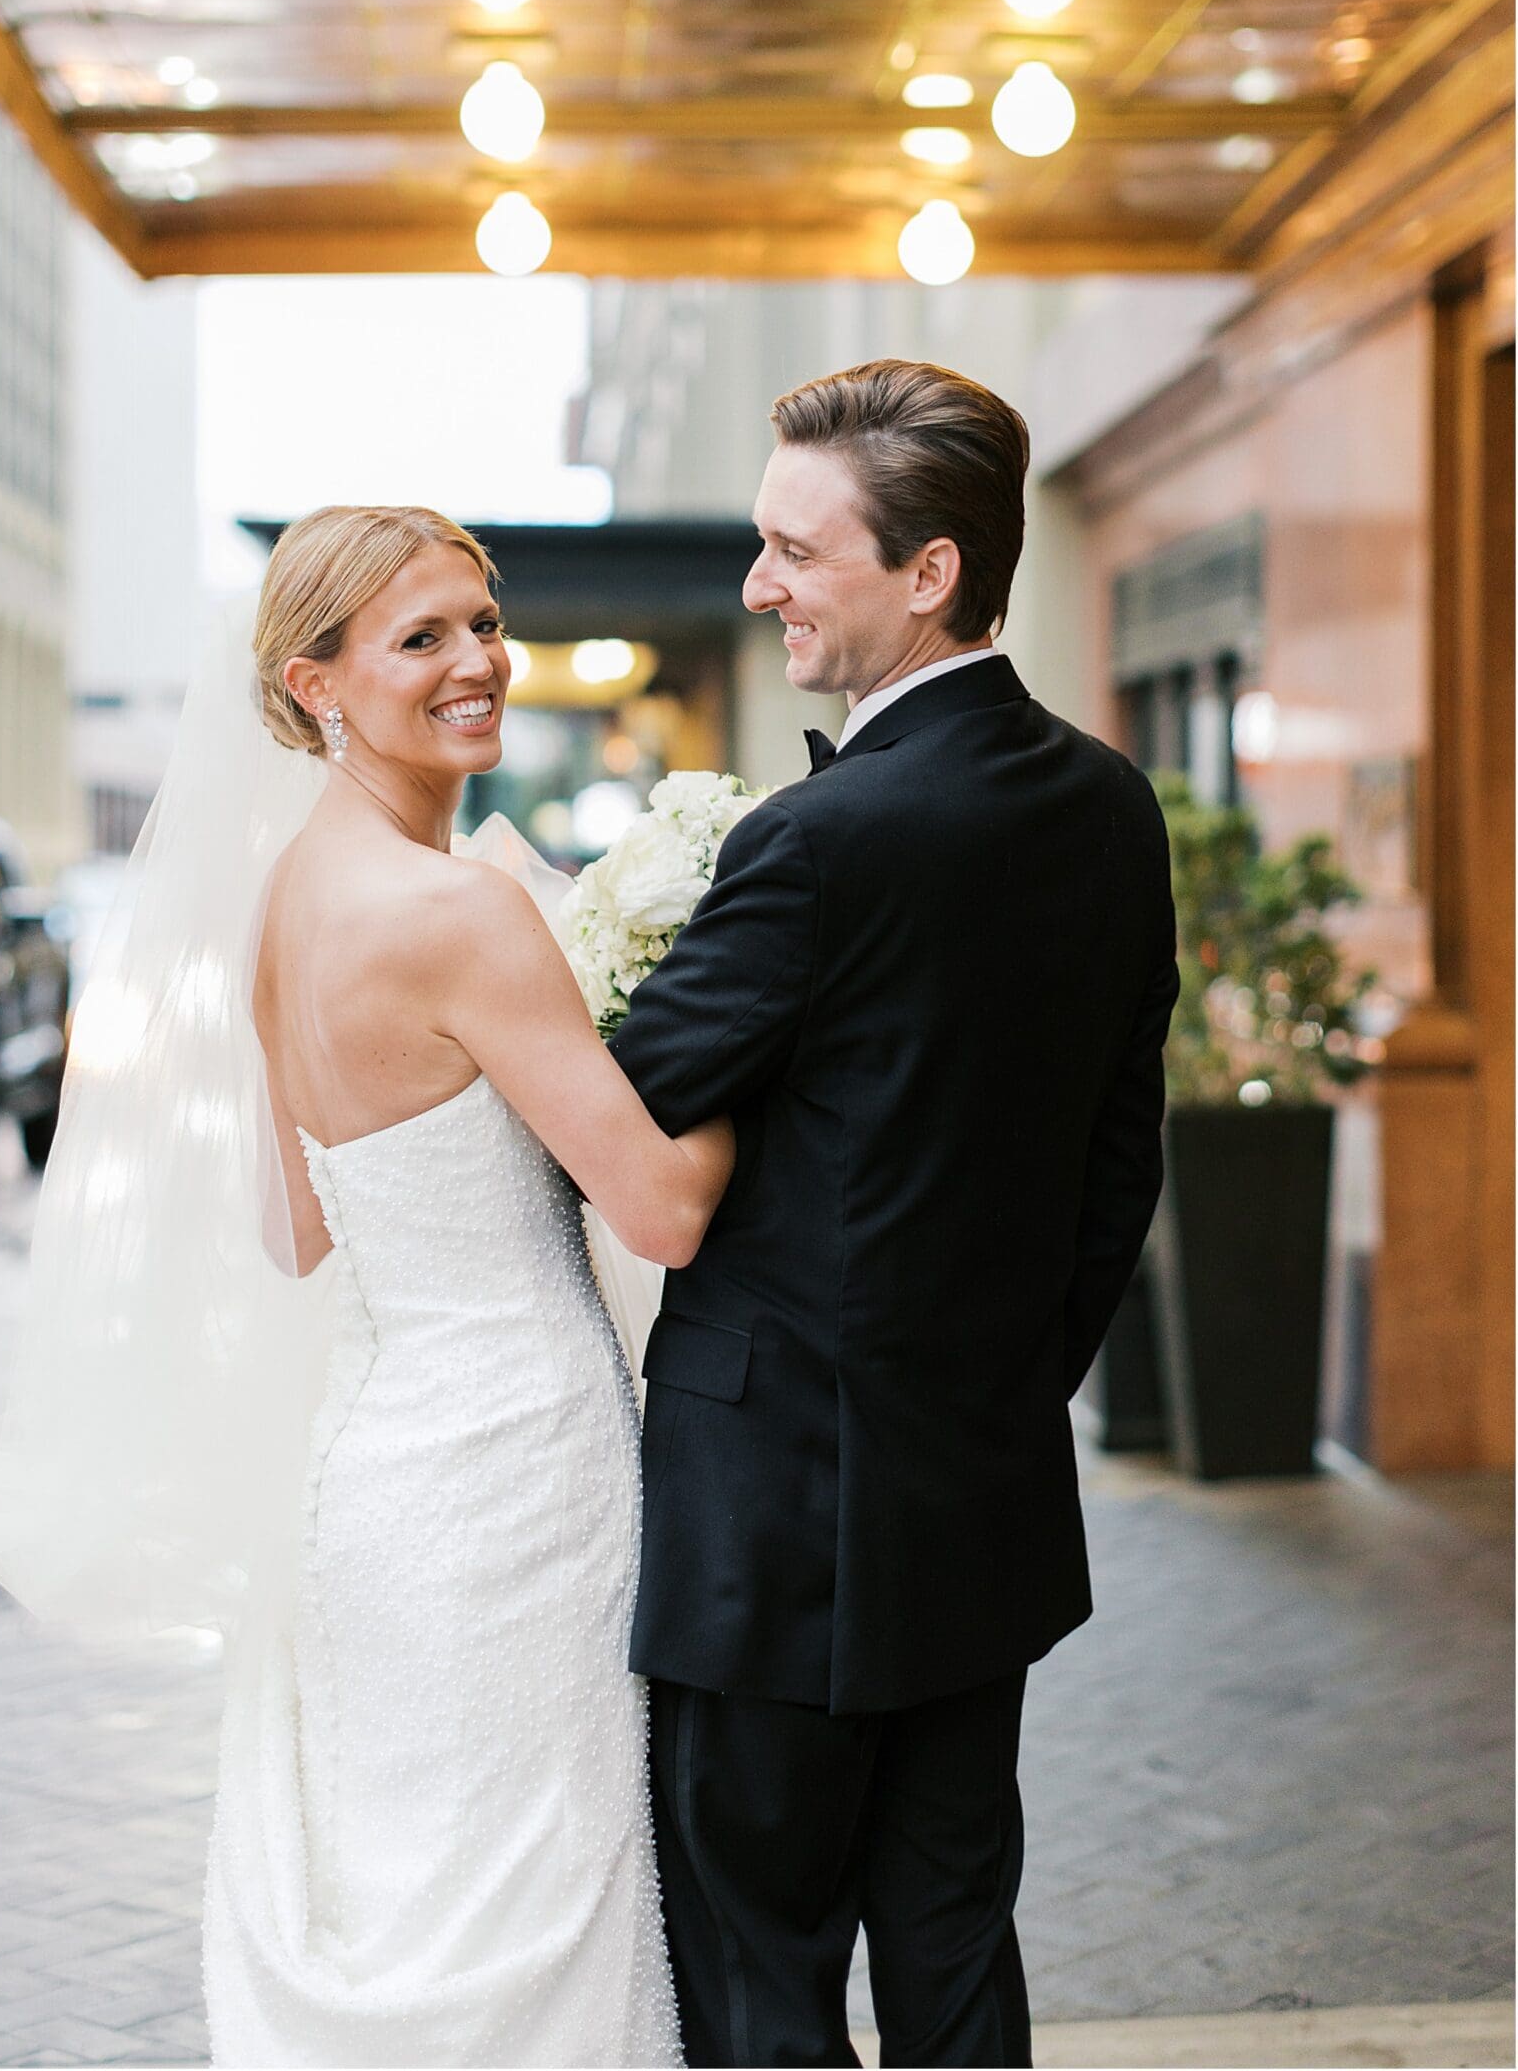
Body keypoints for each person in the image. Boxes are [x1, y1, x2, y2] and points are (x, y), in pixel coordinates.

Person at [0, 504, 724, 2070]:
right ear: (316, 686)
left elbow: (301, 1233)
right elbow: (666, 1207)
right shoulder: (465, 914)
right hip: (516, 1479)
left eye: (483, 622)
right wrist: (746, 1025)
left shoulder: (287, 905)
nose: (478, 663)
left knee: (407, 1898)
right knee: (526, 1906)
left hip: (365, 1487)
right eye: (419, 638)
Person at [609, 359, 1180, 2070]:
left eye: (795, 548)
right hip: (978, 1507)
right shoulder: (1108, 806)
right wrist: (992, 1390)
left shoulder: (815, 842)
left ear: (930, 571)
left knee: (759, 1976)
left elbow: (617, 1124)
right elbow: (1115, 1168)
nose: (756, 582)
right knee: (952, 1955)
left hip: (768, 1527)